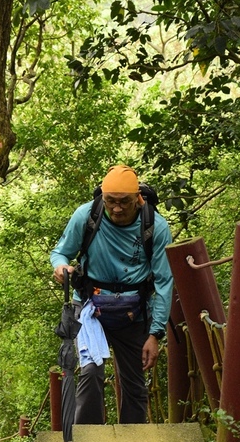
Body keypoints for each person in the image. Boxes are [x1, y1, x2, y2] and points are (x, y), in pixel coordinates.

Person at [51, 165, 173, 424]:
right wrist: (61, 266)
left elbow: (164, 281)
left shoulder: (155, 226)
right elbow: (61, 252)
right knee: (91, 372)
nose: (117, 208)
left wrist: (155, 334)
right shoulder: (87, 215)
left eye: (124, 202)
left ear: (137, 197)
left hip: (133, 311)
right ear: (102, 197)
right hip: (89, 306)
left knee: (135, 383)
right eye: (110, 201)